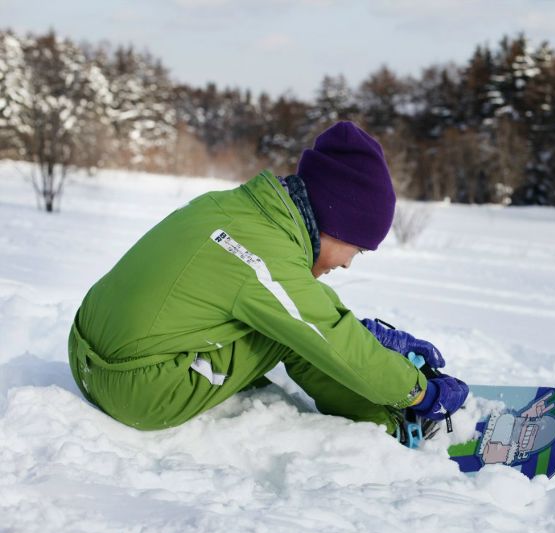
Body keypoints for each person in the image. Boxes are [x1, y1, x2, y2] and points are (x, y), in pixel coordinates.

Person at [67, 121, 469, 443]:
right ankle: (390, 425)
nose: (348, 264)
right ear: (335, 224)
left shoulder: (238, 212)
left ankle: (375, 375)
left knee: (291, 315)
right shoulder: (262, 257)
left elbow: (286, 288)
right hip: (133, 390)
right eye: (356, 249)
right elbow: (321, 330)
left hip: (87, 355)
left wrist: (369, 335)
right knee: (291, 333)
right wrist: (420, 393)